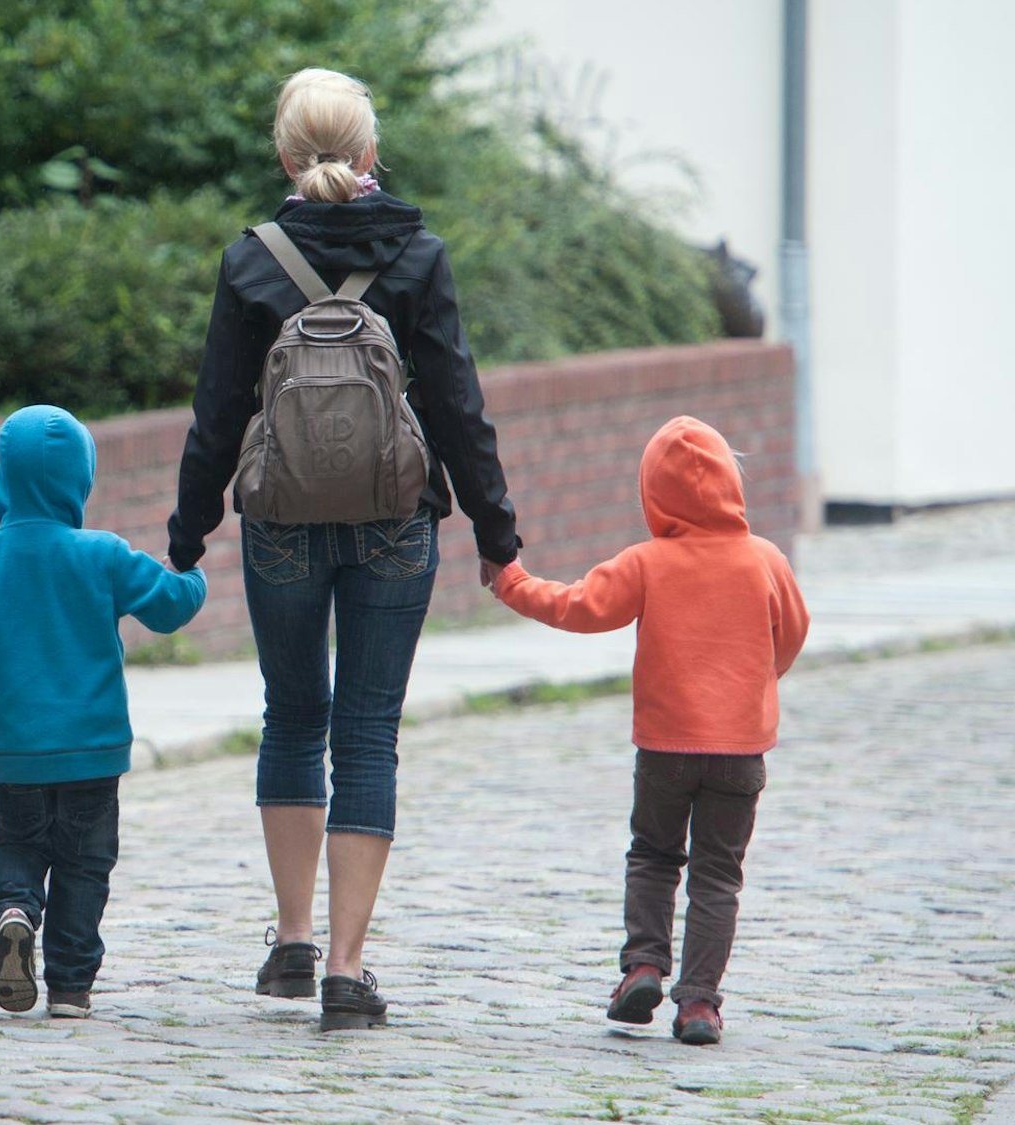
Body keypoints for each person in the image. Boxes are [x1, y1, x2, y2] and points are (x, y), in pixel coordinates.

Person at [167, 67, 523, 1032]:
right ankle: (350, 967)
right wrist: (498, 534)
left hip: (280, 519)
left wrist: (188, 533)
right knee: (368, 731)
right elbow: (455, 403)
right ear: (370, 154)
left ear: (285, 156)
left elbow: (215, 416)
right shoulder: (416, 254)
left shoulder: (252, 261)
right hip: (394, 521)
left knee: (293, 715)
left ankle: (291, 940)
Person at [493, 416, 809, 1045]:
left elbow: (579, 607)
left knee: (654, 856)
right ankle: (698, 1005)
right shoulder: (765, 560)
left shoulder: (647, 562)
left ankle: (642, 966)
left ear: (652, 494)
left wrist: (512, 581)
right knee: (719, 876)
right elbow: (794, 631)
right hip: (740, 751)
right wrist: (758, 680)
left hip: (664, 747)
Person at [0, 405, 207, 1019]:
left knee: (20, 844)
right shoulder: (102, 554)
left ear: (5, 483)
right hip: (92, 750)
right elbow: (168, 606)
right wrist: (194, 578)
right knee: (85, 864)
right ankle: (72, 986)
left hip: (15, 750)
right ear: (82, 480)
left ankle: (16, 910)